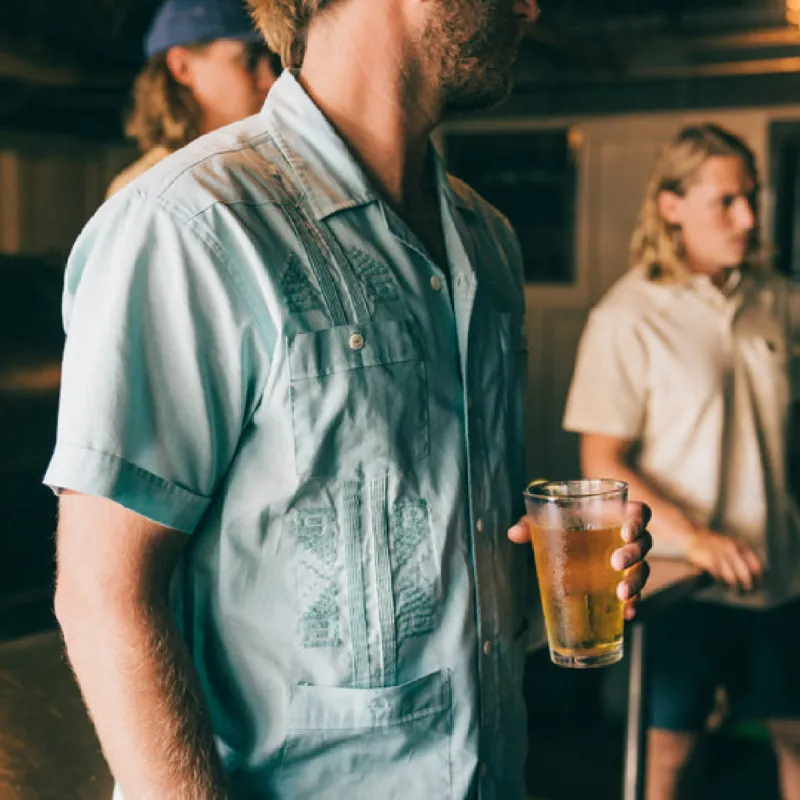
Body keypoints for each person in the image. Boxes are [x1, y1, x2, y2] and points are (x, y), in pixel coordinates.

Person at [46, 0, 652, 797]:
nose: (532, 7)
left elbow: (440, 537)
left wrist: (553, 568)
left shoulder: (487, 239)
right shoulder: (189, 225)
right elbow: (102, 595)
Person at [564, 124, 800, 800]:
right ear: (672, 205)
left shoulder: (778, 302)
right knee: (666, 754)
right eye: (726, 201)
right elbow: (600, 461)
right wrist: (696, 537)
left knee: (796, 740)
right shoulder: (628, 315)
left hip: (779, 572)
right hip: (681, 579)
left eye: (750, 197)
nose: (748, 218)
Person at [106, 0, 280, 198]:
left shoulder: (266, 167)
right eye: (250, 61)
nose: (270, 81)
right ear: (182, 67)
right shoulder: (145, 191)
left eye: (270, 62)